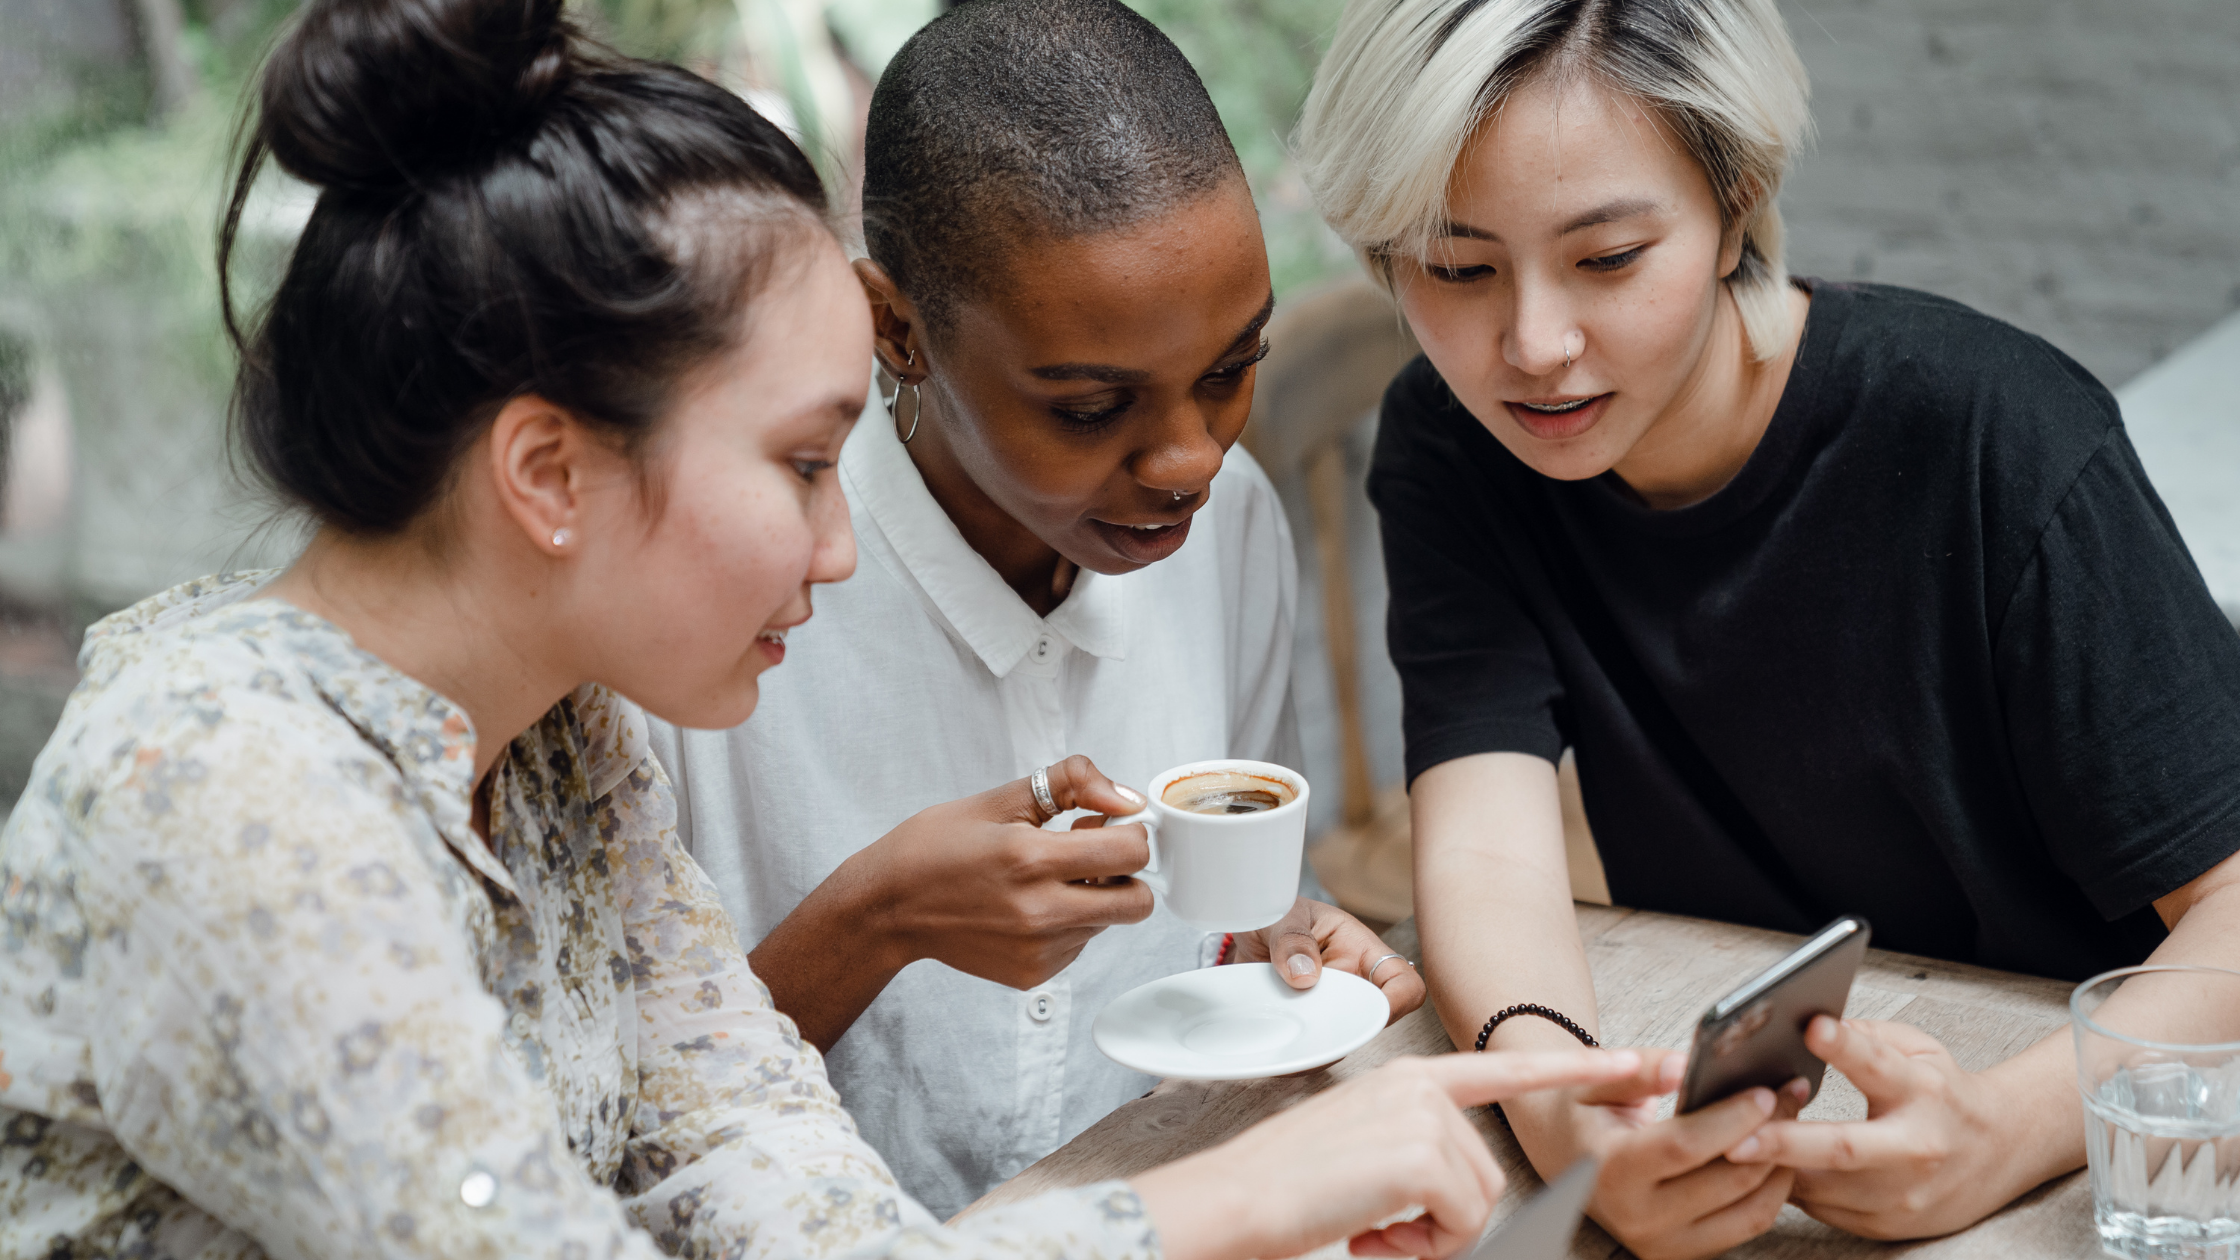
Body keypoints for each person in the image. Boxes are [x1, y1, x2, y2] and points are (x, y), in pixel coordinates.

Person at [0, 3, 1652, 1257]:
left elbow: (767, 1184)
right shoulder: (227, 785)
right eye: (804, 462)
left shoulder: (561, 741)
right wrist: (1208, 1211)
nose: (847, 539)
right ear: (549, 471)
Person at [1292, 0, 2240, 1256]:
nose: (1532, 347)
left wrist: (1997, 1135)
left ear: (1733, 200)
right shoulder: (1453, 441)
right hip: (1734, 1076)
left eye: (1608, 256)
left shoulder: (1990, 434)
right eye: (1454, 268)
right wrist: (1569, 1119)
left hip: (2107, 1138)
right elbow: (1484, 856)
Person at [645, 0, 1424, 1219]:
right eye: (1086, 409)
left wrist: (1284, 941)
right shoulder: (721, 606)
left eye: (1229, 371)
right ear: (894, 328)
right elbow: (615, 1136)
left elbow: (1232, 934)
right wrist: (874, 920)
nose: (1187, 463)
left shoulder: (1232, 534)